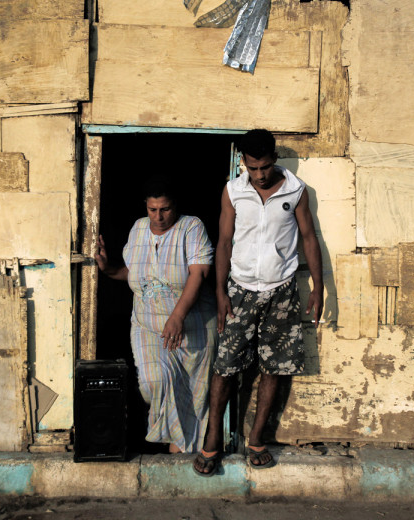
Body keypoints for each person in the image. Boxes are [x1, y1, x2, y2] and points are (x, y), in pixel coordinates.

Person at [193, 129, 323, 476]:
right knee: (225, 367)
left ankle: (256, 439)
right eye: (253, 168)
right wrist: (221, 292)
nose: (260, 175)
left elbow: (308, 237)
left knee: (274, 367)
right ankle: (213, 440)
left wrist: (318, 286)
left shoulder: (295, 191)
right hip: (240, 289)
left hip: (281, 290)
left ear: (274, 161)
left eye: (265, 167)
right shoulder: (233, 191)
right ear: (243, 163)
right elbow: (223, 242)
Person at [95, 177, 217, 453]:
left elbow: (198, 273)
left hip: (193, 326)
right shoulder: (138, 229)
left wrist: (177, 316)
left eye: (165, 209)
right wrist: (108, 269)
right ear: (146, 207)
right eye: (153, 209)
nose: (159, 216)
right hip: (148, 326)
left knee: (193, 394)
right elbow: (137, 276)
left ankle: (180, 454)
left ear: (176, 206)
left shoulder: (191, 226)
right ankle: (176, 446)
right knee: (154, 383)